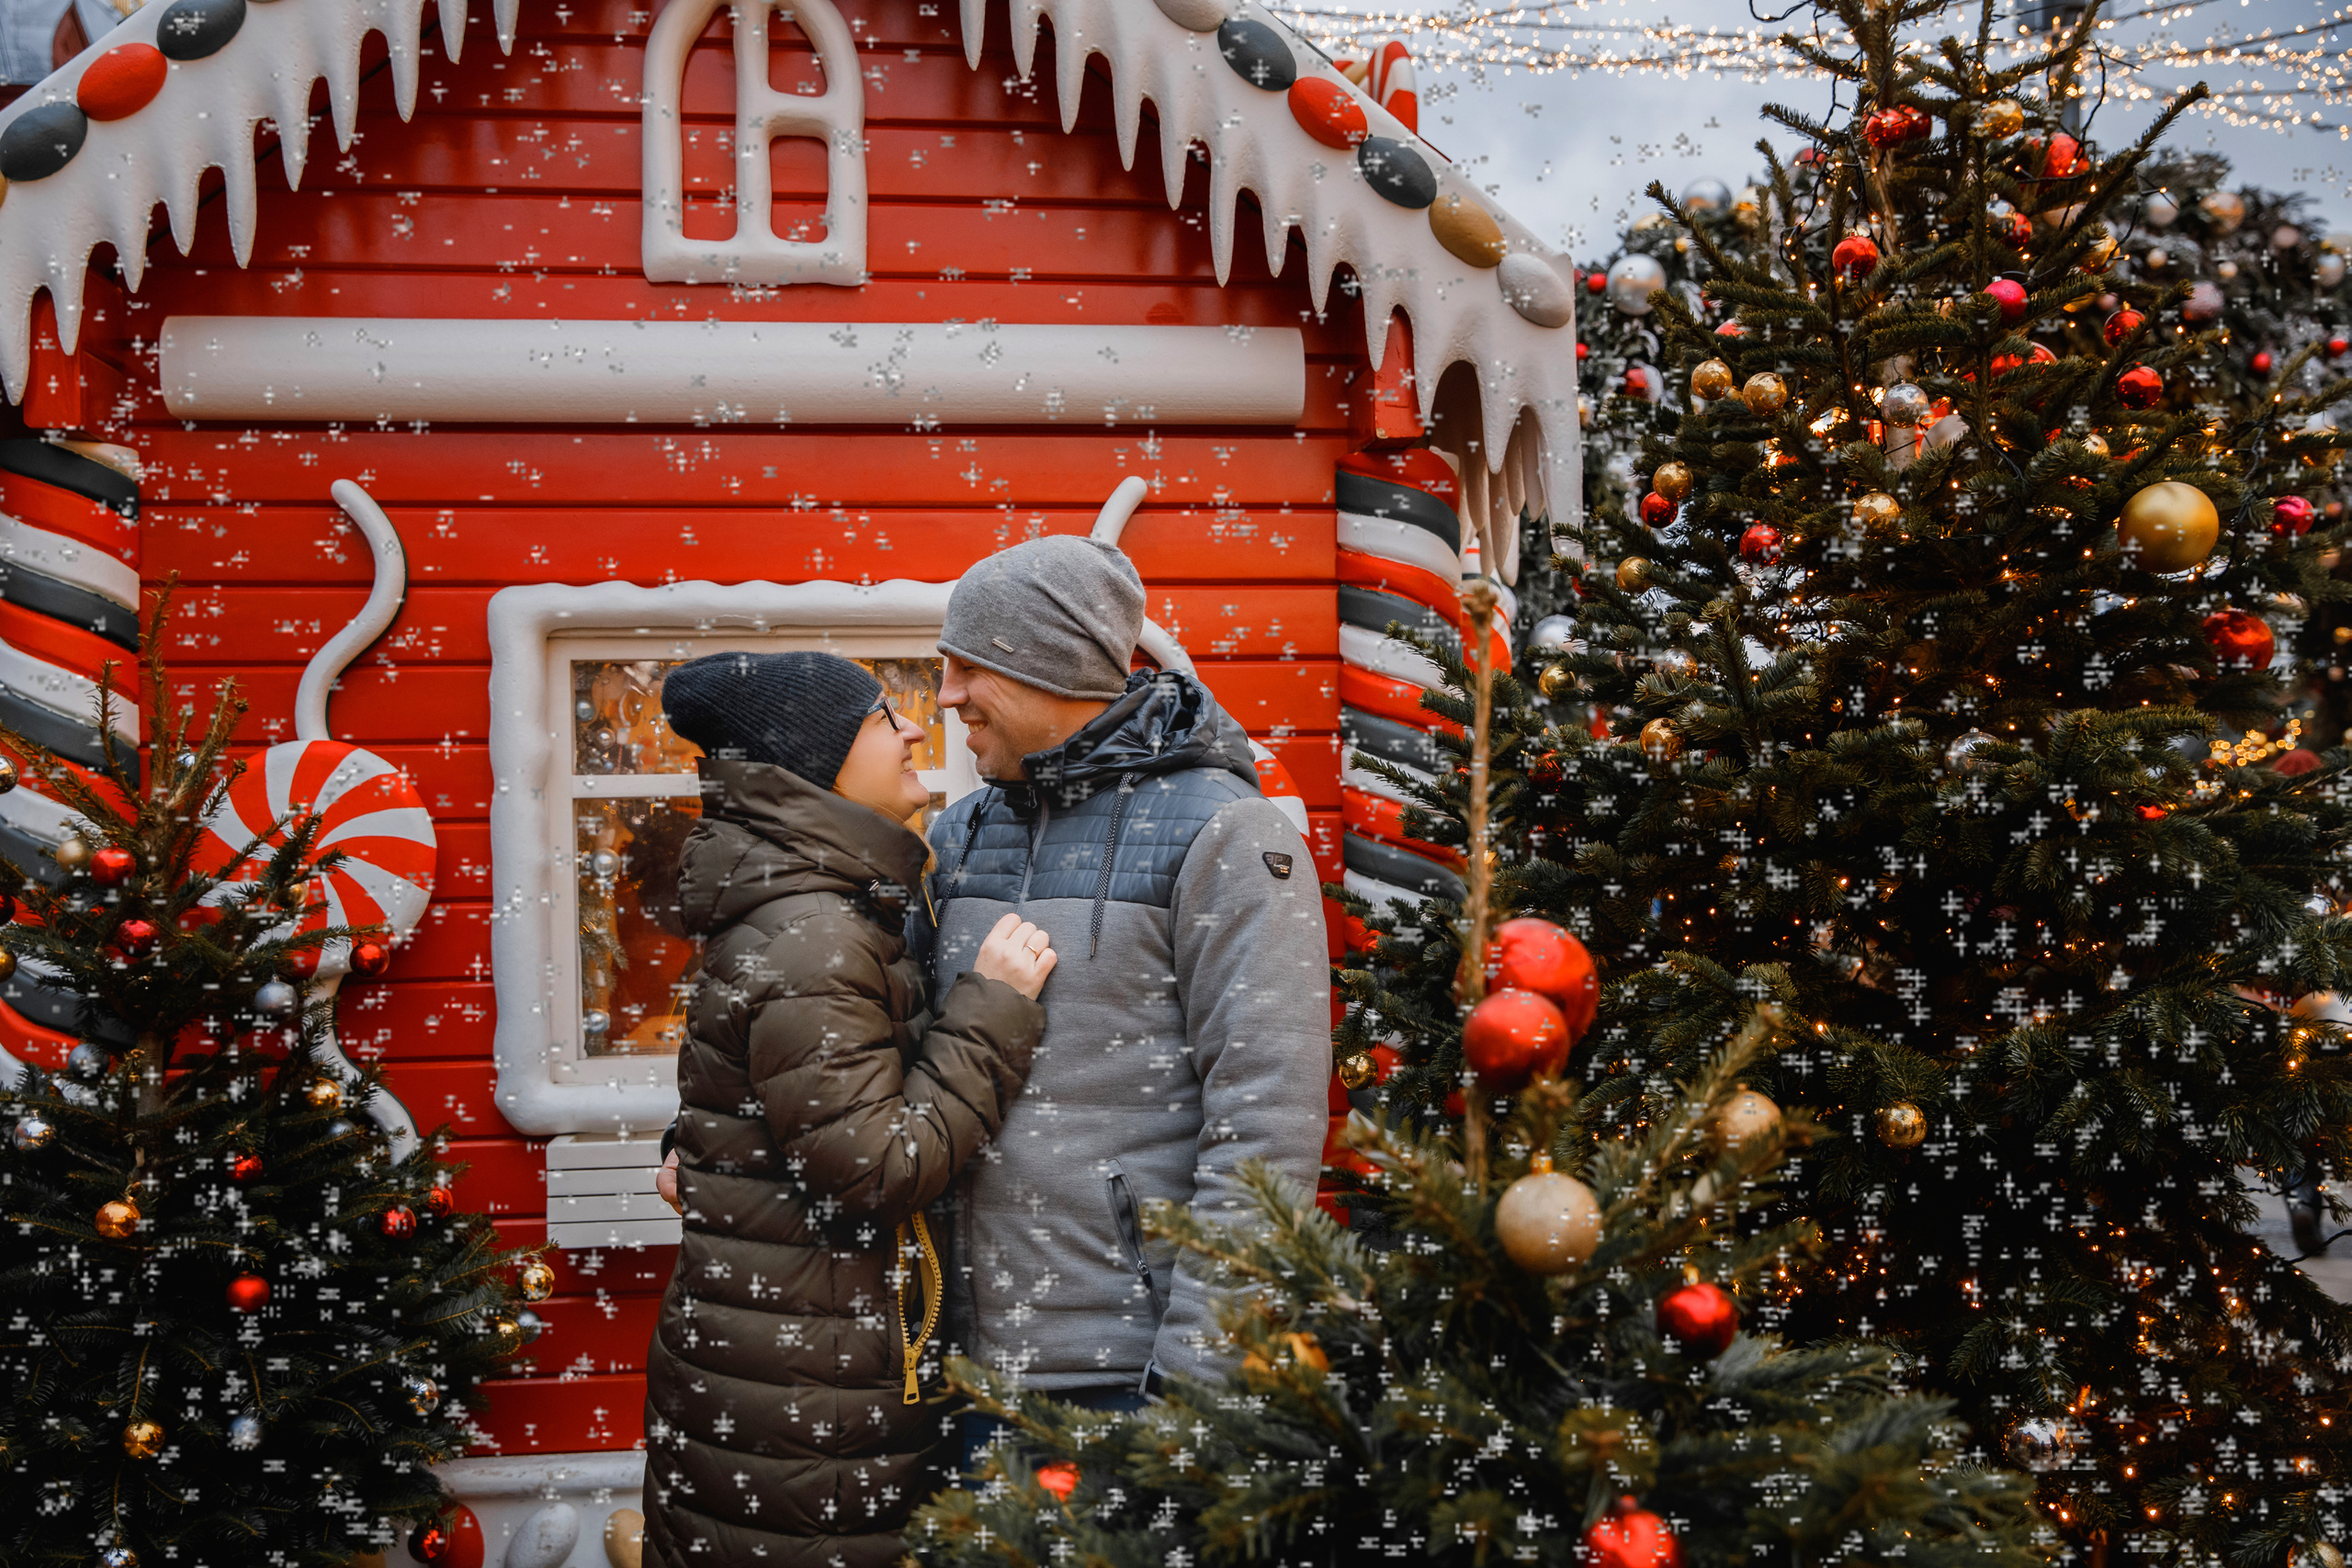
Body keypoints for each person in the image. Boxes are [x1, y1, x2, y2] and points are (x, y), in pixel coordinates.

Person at [912, 535, 1332, 1446]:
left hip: (1133, 1380)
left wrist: (1199, 1380)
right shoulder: (956, 837)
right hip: (960, 1369)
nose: (946, 699)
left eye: (965, 668)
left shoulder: (1223, 834)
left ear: (1044, 665)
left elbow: (1268, 1120)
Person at [641, 650, 1057, 1568]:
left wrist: (706, 1154)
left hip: (781, 1365)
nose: (916, 727)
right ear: (812, 763)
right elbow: (874, 1165)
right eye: (880, 718)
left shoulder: (812, 903)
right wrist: (993, 1007)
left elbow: (759, 1082)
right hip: (808, 1398)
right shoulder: (818, 932)